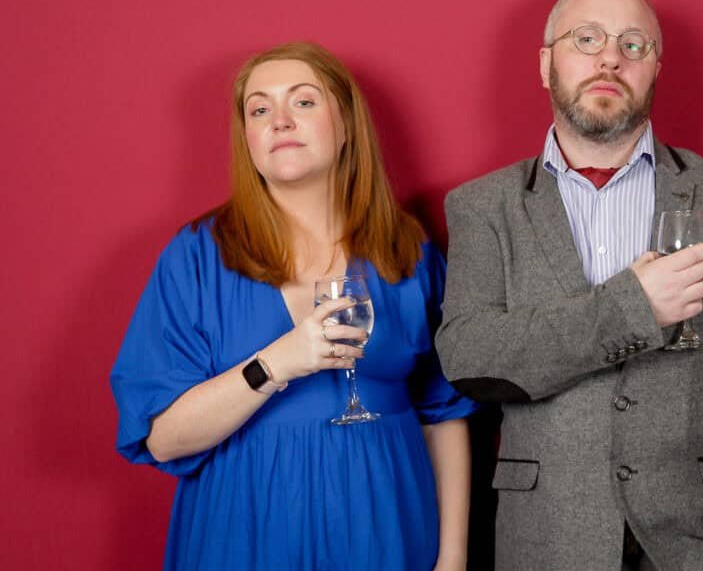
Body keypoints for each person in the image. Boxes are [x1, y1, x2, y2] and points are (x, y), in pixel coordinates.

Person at [436, 0, 703, 571]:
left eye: (633, 44)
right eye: (586, 38)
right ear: (546, 65)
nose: (609, 57)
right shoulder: (482, 207)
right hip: (548, 544)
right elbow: (470, 357)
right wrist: (632, 306)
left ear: (655, 68)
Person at [111, 41, 477, 571]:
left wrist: (453, 559)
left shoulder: (409, 252)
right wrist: (276, 363)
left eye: (304, 102)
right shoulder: (196, 255)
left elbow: (444, 416)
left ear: (346, 123)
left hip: (387, 526)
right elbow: (164, 439)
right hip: (245, 528)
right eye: (260, 109)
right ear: (249, 141)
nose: (280, 120)